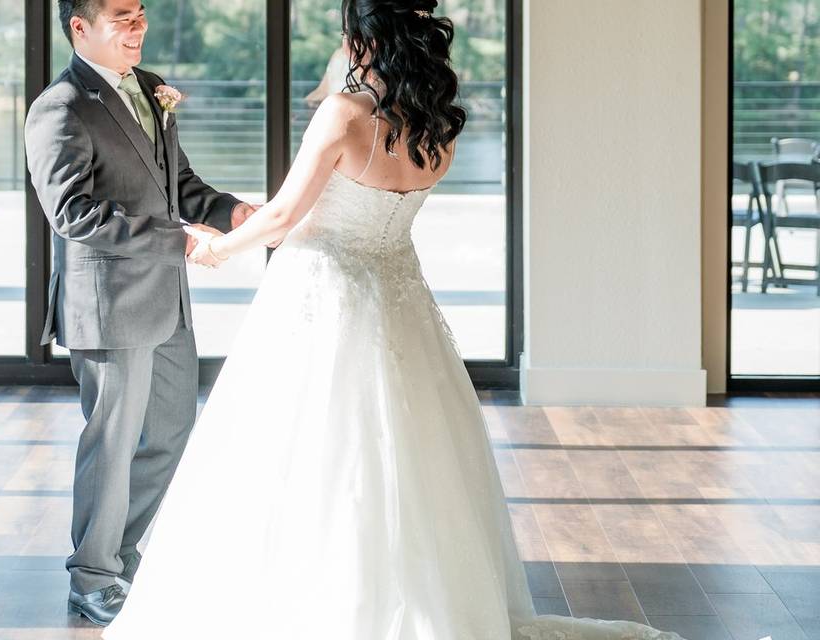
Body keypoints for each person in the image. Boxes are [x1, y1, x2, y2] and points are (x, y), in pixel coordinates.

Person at [105, 1, 687, 638]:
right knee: (403, 457)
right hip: (396, 292)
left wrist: (212, 248)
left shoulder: (343, 114)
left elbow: (280, 219)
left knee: (299, 454)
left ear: (361, 40)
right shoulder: (439, 123)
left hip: (320, 297)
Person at [24, 0, 256, 626]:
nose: (138, 26)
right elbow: (73, 214)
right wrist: (179, 242)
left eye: (142, 14)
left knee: (173, 432)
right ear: (80, 28)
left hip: (167, 300)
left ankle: (119, 558)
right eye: (121, 17)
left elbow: (177, 185)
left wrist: (233, 213)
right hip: (110, 302)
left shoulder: (152, 91)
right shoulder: (60, 108)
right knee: (113, 439)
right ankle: (92, 577)